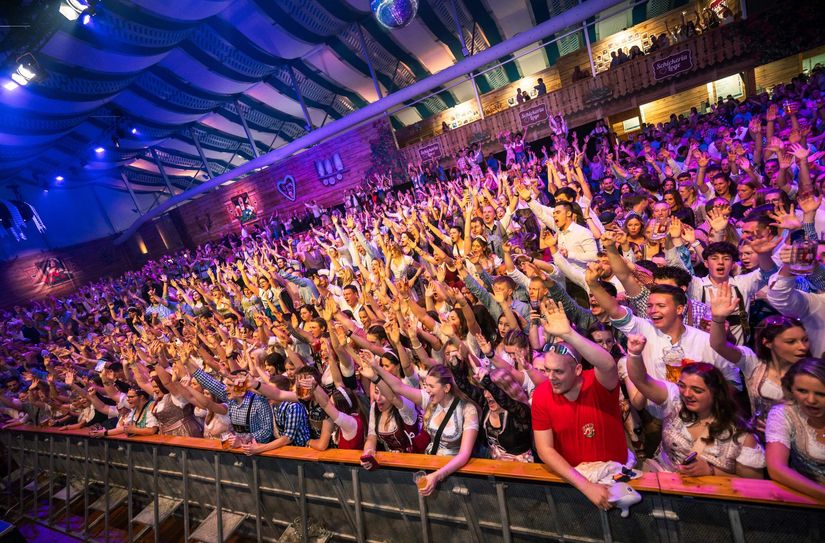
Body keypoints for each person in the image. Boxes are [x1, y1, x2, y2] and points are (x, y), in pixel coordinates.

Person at [531, 300, 629, 510]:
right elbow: (545, 450)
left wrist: (569, 335)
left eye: (558, 371)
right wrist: (586, 486)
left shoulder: (598, 382)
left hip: (617, 479)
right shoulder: (542, 394)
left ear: (577, 370)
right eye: (547, 370)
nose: (550, 377)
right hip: (574, 483)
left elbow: (608, 364)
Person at [625, 334, 765, 477]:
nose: (686, 394)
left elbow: (754, 486)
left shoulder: (742, 436)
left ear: (716, 393)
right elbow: (641, 380)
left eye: (697, 390)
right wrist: (634, 354)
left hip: (707, 497)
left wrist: (712, 472)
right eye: (682, 386)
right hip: (663, 486)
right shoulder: (676, 402)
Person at [369, 362, 479, 496]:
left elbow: (464, 455)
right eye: (426, 385)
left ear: (446, 388)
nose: (427, 390)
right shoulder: (430, 401)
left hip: (453, 473)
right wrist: (376, 367)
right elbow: (398, 387)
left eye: (431, 386)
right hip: (429, 467)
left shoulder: (467, 410)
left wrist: (437, 476)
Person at [765, 358, 825, 499]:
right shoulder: (783, 414)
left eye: (821, 394)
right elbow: (776, 468)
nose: (810, 400)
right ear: (791, 389)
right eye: (802, 391)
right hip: (806, 501)